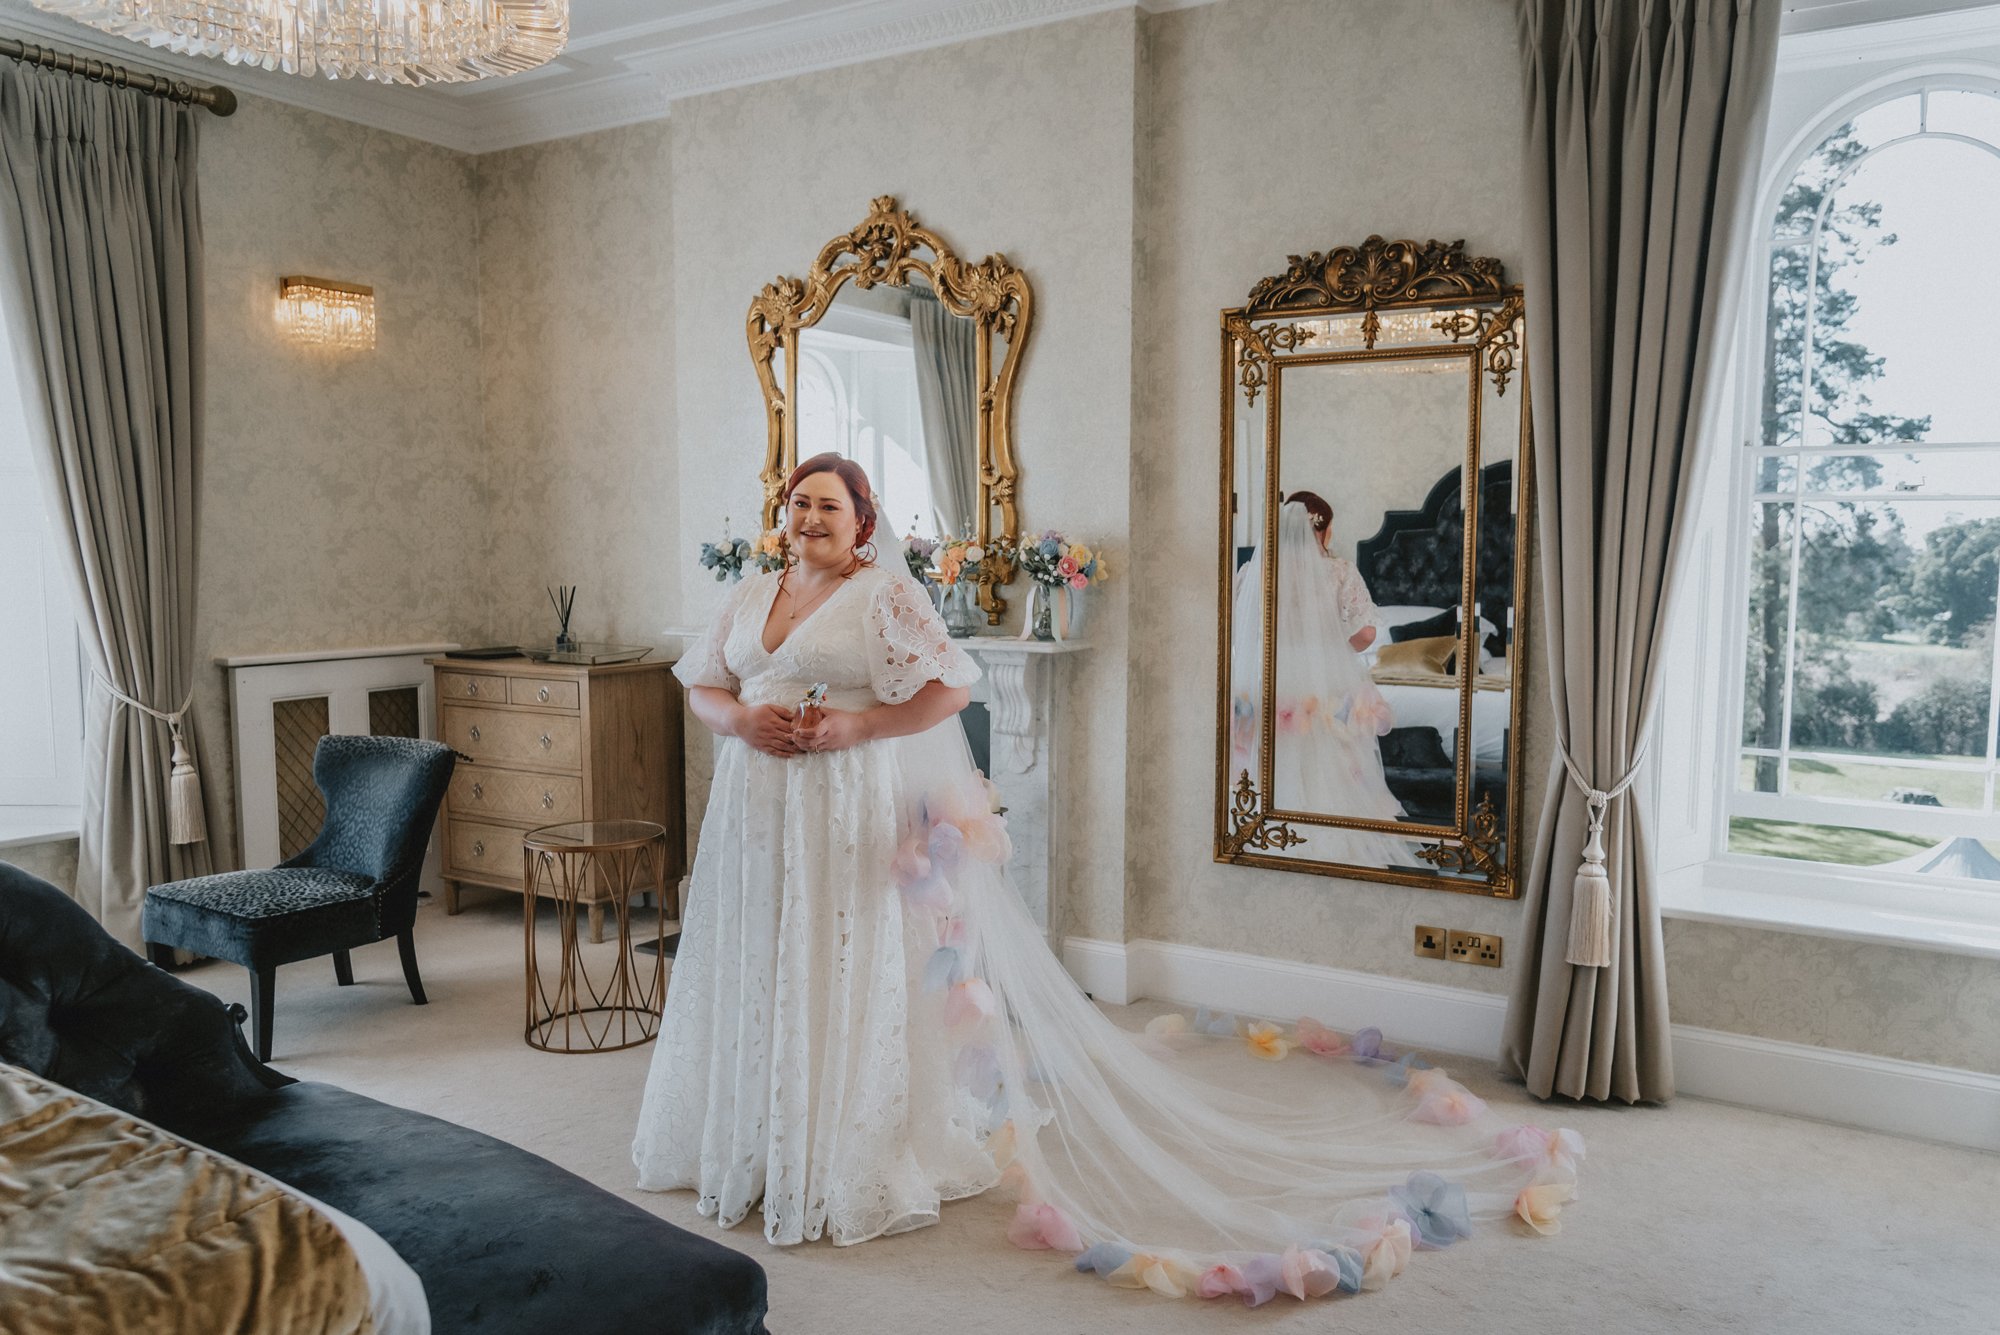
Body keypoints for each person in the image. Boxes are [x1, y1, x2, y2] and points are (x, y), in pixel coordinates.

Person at [634, 455, 1581, 1305]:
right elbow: (702, 680)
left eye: (828, 505)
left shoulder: (882, 595)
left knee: (839, 959)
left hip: (845, 802)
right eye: (799, 502)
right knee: (760, 955)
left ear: (862, 520)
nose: (809, 517)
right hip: (755, 810)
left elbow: (953, 685)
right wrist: (737, 721)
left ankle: (838, 1142)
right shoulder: (752, 589)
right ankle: (754, 1133)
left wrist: (856, 725)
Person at [1229, 491, 1410, 866]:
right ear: (1324, 530)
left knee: (1273, 753)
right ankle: (1327, 840)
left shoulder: (1253, 571)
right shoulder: (1340, 571)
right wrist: (1333, 643)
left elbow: (1238, 630)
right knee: (1325, 755)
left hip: (1267, 677)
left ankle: (1265, 834)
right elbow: (1367, 634)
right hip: (1322, 679)